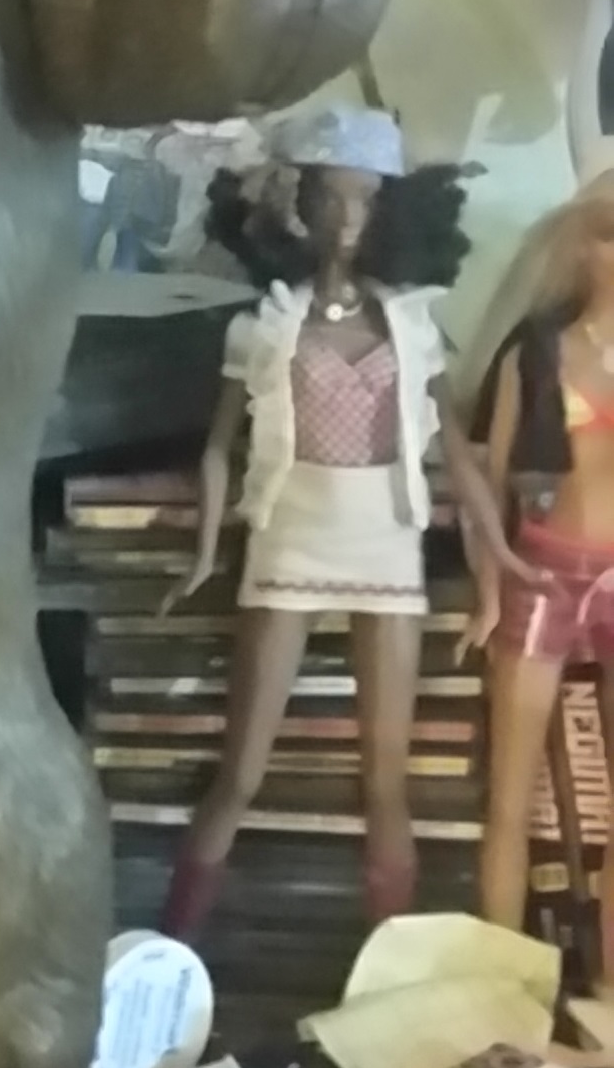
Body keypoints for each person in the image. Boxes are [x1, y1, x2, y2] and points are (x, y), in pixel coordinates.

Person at [159, 107, 531, 938]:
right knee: (239, 772)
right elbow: (218, 448)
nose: (346, 217)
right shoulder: (263, 323)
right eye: (329, 197)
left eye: (364, 199)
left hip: (387, 543)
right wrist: (205, 549)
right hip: (288, 537)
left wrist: (497, 558)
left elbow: (455, 453)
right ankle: (168, 949)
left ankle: (385, 968)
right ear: (295, 203)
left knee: (386, 783)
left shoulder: (412, 323)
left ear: (391, 210)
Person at [467, 178, 614, 984]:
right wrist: (489, 586)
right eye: (609, 235)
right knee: (509, 798)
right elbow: (490, 481)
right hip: (542, 569)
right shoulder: (538, 349)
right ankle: (505, 987)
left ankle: (610, 997)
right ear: (581, 246)